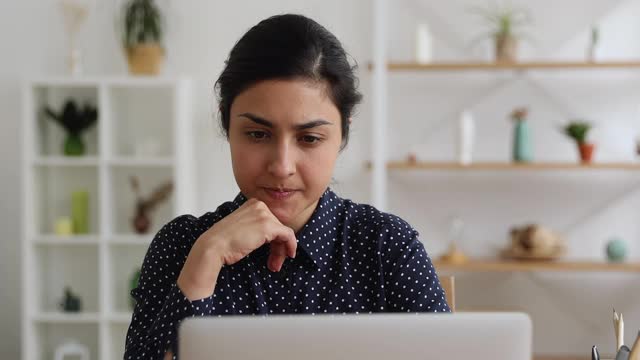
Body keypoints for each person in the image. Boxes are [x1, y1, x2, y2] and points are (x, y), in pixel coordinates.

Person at [124, 13, 450, 360]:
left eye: (309, 138)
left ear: (343, 134)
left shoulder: (388, 249)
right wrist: (207, 257)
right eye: (257, 134)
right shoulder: (181, 246)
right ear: (226, 122)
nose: (281, 166)